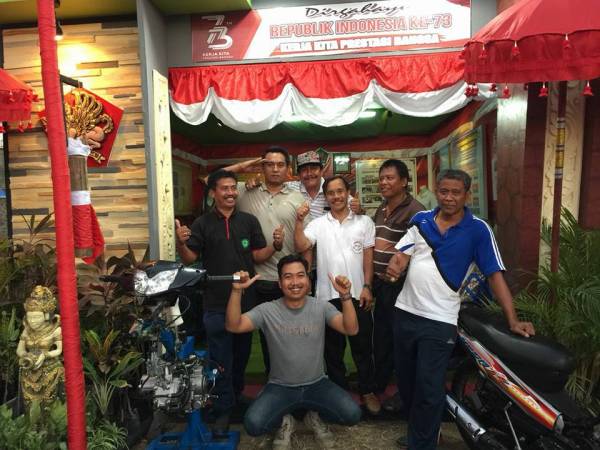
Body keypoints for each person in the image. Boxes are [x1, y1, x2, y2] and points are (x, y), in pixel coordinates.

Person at [386, 169, 536, 450]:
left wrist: (513, 320)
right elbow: (403, 253)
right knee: (407, 385)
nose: (449, 198)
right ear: (436, 191)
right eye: (444, 191)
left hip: (440, 321)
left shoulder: (478, 229)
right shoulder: (421, 220)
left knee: (429, 387)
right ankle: (427, 433)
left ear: (467, 195)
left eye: (456, 193)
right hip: (404, 313)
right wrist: (396, 265)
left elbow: (494, 275)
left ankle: (422, 444)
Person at [175, 169, 284, 436]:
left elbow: (258, 255)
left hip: (246, 303)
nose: (231, 192)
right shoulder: (202, 223)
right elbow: (190, 258)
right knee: (220, 358)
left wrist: (276, 245)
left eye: (234, 188)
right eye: (225, 188)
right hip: (215, 303)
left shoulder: (248, 221)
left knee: (241, 356)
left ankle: (234, 398)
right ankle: (222, 410)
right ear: (213, 193)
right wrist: (181, 243)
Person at [225, 254, 362, 450]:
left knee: (352, 414)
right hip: (280, 387)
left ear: (308, 280)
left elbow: (351, 329)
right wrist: (236, 291)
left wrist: (346, 296)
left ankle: (312, 417)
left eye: (300, 275)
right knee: (253, 424)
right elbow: (234, 325)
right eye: (288, 277)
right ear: (280, 283)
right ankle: (286, 420)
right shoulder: (267, 310)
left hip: (317, 384)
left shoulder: (321, 306)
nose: (295, 282)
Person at [294, 176, 381, 415]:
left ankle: (367, 390)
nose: (336, 196)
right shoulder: (318, 224)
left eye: (340, 191)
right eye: (331, 193)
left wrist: (368, 286)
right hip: (327, 296)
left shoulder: (364, 221)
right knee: (333, 351)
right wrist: (299, 221)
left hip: (358, 294)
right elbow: (301, 245)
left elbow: (368, 258)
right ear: (326, 197)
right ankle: (339, 393)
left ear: (348, 192)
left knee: (363, 346)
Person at [235, 146, 310, 372]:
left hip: (287, 282)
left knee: (292, 336)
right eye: (269, 164)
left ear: (287, 169)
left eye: (280, 165)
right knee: (264, 338)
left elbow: (306, 242)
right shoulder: (245, 191)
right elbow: (212, 181)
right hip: (255, 280)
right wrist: (244, 167)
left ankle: (296, 383)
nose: (275, 169)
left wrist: (306, 277)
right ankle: (273, 383)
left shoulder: (297, 198)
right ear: (262, 167)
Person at [372, 160, 424, 408]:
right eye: (381, 178)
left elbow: (421, 249)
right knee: (382, 335)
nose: (384, 182)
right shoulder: (382, 207)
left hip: (401, 287)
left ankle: (404, 393)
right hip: (381, 284)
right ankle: (380, 383)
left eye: (390, 178)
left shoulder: (416, 211)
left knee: (400, 339)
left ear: (404, 181)